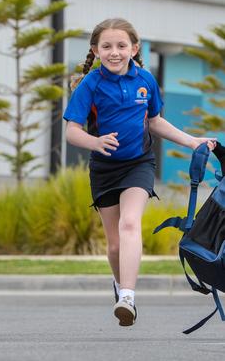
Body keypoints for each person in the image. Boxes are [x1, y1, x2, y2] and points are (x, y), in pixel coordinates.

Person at [64, 18, 215, 327]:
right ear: (96, 50)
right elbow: (72, 131)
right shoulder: (90, 85)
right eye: (106, 46)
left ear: (134, 48)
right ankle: (120, 285)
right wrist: (95, 141)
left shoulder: (145, 80)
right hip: (104, 169)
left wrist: (192, 141)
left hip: (138, 164)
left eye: (121, 46)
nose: (114, 52)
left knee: (130, 224)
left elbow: (154, 121)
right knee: (115, 243)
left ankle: (128, 297)